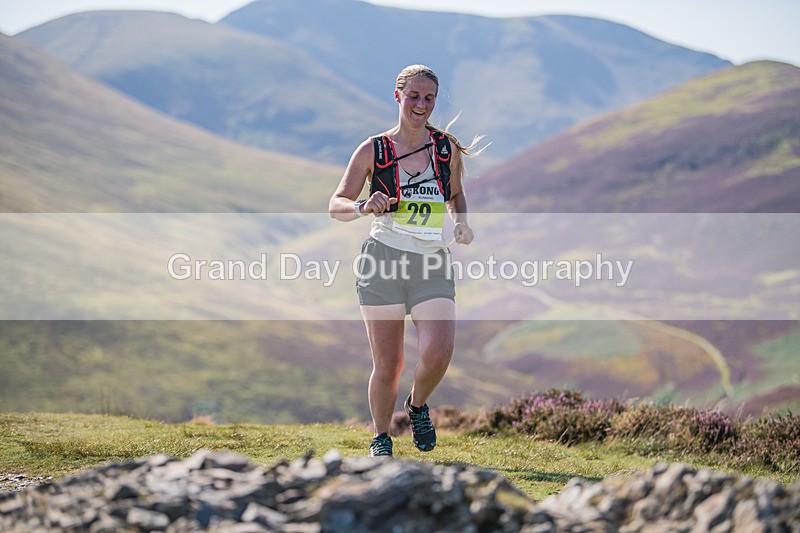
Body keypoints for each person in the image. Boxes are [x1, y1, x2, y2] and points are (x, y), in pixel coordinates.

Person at [329, 64, 483, 457]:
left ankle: (416, 407)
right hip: (383, 262)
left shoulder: (444, 147)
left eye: (429, 98)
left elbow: (455, 194)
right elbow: (336, 205)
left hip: (431, 260)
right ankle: (381, 437)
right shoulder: (373, 150)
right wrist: (364, 206)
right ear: (397, 96)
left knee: (438, 351)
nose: (421, 104)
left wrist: (461, 223)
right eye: (413, 96)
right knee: (389, 364)